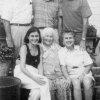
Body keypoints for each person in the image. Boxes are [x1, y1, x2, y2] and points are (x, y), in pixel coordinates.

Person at [14, 27, 51, 100]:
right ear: (28, 36)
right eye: (32, 36)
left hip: (33, 72)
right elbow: (22, 68)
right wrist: (36, 79)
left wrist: (40, 77)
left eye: (36, 36)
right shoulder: (24, 47)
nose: (35, 38)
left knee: (36, 92)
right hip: (21, 73)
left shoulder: (40, 48)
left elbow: (40, 65)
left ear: (39, 37)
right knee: (45, 83)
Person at [58, 31, 94, 100]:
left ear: (74, 39)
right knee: (76, 83)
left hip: (84, 72)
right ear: (63, 40)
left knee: (87, 82)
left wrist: (83, 75)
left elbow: (89, 64)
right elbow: (63, 67)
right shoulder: (61, 51)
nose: (68, 40)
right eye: (66, 38)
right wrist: (67, 78)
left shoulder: (81, 48)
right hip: (72, 74)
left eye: (70, 38)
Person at [41, 27, 71, 100]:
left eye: (51, 36)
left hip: (58, 75)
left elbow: (65, 59)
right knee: (48, 85)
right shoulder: (39, 47)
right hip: (45, 75)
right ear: (43, 37)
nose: (49, 38)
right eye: (47, 36)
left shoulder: (57, 47)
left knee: (64, 84)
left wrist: (67, 77)